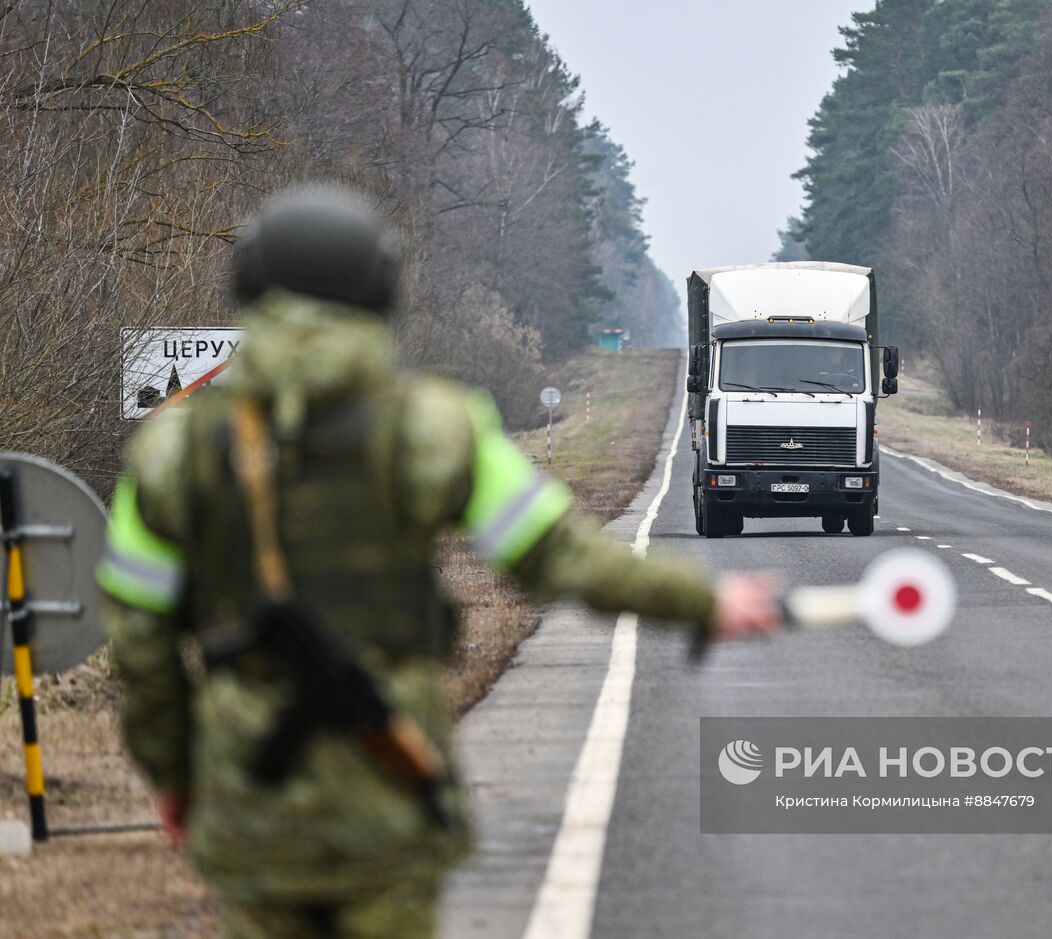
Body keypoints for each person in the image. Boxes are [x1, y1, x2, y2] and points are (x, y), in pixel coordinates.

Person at [97, 185, 783, 938]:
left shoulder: (169, 453)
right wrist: (700, 601)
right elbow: (564, 557)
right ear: (381, 289)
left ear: (250, 287)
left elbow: (141, 642)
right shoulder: (433, 427)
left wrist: (172, 775)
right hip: (389, 782)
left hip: (250, 791)